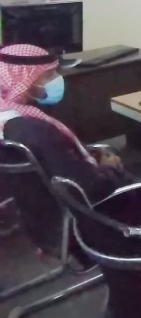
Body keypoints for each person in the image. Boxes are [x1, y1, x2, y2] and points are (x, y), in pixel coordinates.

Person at [0, 44, 130, 203]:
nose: (57, 79)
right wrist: (110, 169)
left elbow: (56, 158)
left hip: (22, 203)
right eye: (49, 75)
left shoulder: (11, 119)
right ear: (22, 79)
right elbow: (86, 187)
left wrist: (92, 155)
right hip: (88, 208)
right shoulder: (34, 130)